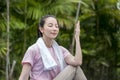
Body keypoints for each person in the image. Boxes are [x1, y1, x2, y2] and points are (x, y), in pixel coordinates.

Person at [19, 15, 85, 80]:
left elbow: (77, 62)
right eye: (50, 26)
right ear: (41, 29)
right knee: (73, 68)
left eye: (56, 26)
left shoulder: (61, 50)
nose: (54, 29)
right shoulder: (33, 50)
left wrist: (77, 38)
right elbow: (23, 77)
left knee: (76, 67)